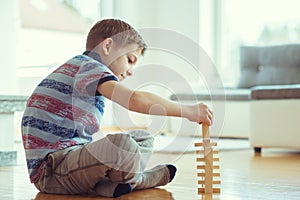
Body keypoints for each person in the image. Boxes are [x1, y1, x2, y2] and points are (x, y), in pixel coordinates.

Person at [21, 19, 213, 198]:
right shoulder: (89, 67)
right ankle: (140, 180)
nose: (130, 71)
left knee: (142, 137)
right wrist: (188, 111)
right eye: (130, 59)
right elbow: (134, 100)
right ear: (107, 46)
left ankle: (108, 186)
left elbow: (87, 133)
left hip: (70, 165)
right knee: (122, 144)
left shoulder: (79, 69)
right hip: (53, 171)